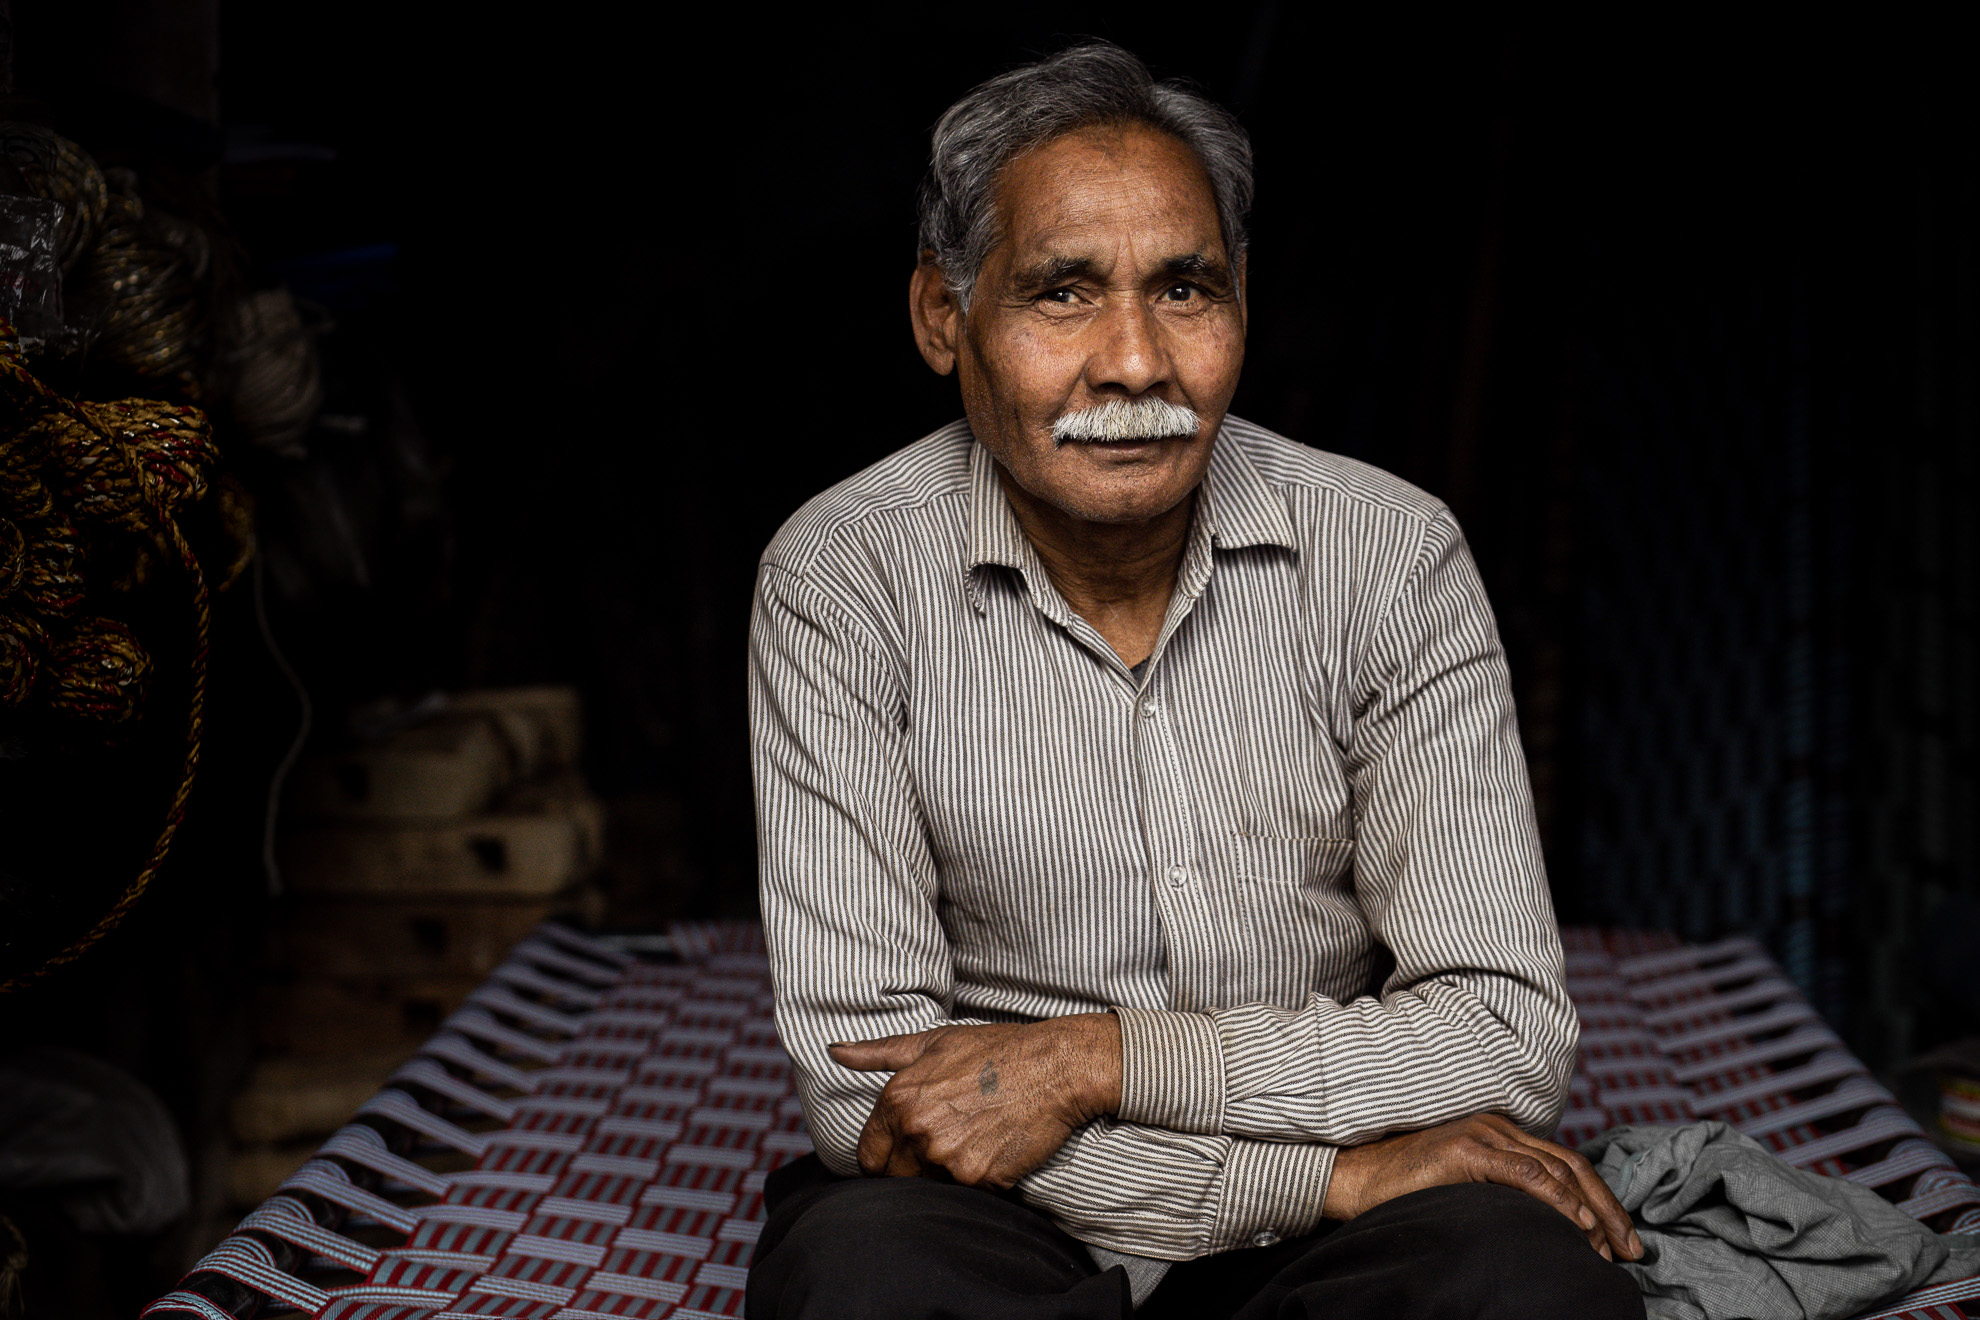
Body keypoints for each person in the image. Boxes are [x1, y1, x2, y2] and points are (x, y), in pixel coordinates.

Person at [744, 40, 1645, 1320]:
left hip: (1316, 1189)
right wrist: (1320, 1184)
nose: (1134, 364)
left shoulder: (1391, 554)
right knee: (859, 1278)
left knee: (1525, 1284)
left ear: (1241, 306)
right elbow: (865, 1094)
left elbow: (1503, 1032)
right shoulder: (841, 578)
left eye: (1185, 290)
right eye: (1062, 293)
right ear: (945, 319)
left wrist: (1099, 1060)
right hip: (1014, 1202)